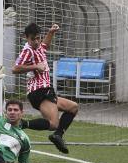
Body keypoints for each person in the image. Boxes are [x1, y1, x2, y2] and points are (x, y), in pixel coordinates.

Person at [12, 22, 78, 154]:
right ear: (26, 37)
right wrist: (35, 66)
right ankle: (23, 124)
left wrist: (51, 32)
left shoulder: (38, 47)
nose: (36, 41)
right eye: (33, 39)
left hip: (46, 90)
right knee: (53, 123)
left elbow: (45, 45)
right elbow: (15, 68)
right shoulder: (28, 50)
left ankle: (58, 135)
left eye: (38, 38)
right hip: (38, 91)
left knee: (73, 107)